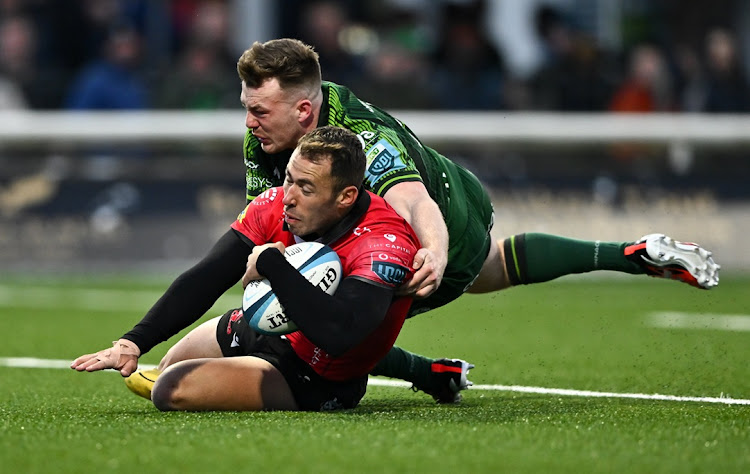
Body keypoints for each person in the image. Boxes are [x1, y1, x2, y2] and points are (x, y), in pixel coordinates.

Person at [220, 38, 720, 404]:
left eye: (258, 110)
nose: (249, 121)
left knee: (319, 319)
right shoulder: (274, 131)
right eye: (248, 108)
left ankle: (427, 373)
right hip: (453, 190)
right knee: (493, 266)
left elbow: (414, 204)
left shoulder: (361, 137)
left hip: (436, 221)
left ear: (303, 110)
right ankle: (631, 254)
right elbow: (274, 223)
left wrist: (433, 252)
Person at [71, 126, 421, 412]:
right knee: (164, 367)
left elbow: (339, 333)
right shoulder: (275, 205)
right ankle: (428, 371)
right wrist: (134, 342)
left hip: (315, 371)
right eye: (288, 179)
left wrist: (272, 264)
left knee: (169, 390)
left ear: (345, 196)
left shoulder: (384, 243)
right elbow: (207, 278)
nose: (288, 196)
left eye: (306, 188)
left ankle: (421, 370)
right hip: (261, 326)